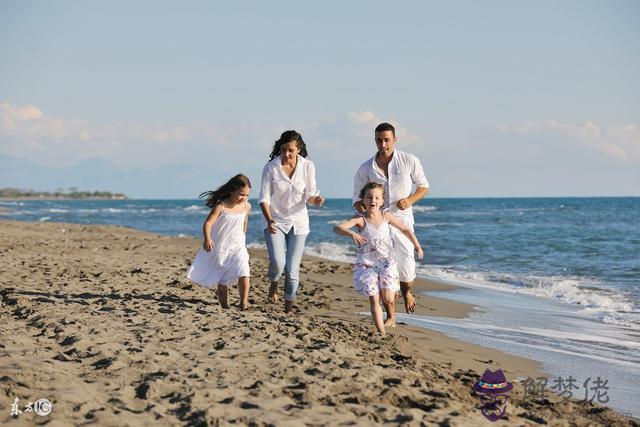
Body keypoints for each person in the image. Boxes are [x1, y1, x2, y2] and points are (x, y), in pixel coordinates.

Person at [353, 122, 429, 314]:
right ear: (375, 141)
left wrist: (410, 200)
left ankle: (407, 292)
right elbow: (356, 198)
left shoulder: (408, 160)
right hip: (378, 223)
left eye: (387, 140)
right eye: (379, 140)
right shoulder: (365, 168)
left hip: (402, 218)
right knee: (383, 263)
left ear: (395, 139)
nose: (383, 144)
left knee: (406, 261)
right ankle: (390, 313)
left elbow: (423, 186)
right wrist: (364, 210)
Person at [335, 183, 423, 335]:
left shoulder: (386, 216)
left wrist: (417, 245)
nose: (372, 200)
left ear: (382, 201)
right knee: (374, 298)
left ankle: (392, 289)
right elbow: (337, 228)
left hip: (387, 263)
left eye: (376, 197)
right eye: (369, 197)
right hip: (366, 265)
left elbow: (405, 229)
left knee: (388, 298)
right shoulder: (360, 219)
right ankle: (382, 333)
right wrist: (352, 234)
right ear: (363, 200)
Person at [259, 130, 325, 313]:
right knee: (278, 265)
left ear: (299, 149)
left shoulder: (308, 166)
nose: (286, 154)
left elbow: (310, 195)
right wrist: (269, 219)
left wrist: (316, 200)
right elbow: (264, 198)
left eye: (291, 150)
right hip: (274, 222)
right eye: (283, 150)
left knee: (292, 269)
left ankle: (288, 309)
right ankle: (273, 282)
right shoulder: (270, 168)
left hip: (299, 223)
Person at [187, 174, 252, 310]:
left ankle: (243, 303)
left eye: (246, 195)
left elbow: (244, 222)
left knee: (244, 271)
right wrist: (207, 238)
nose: (244, 198)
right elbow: (208, 223)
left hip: (238, 246)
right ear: (232, 191)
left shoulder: (247, 206)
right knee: (222, 278)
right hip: (222, 247)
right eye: (241, 194)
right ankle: (224, 306)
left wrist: (243, 238)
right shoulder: (221, 206)